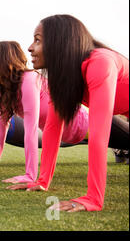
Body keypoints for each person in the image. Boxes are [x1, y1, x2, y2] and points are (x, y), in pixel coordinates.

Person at [7, 15, 129, 212]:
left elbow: (99, 135)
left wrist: (93, 198)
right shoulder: (63, 78)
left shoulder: (100, 63)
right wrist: (42, 181)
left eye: (37, 40)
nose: (30, 47)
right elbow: (53, 128)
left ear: (59, 42)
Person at [0, 41, 89, 183]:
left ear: (8, 59)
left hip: (84, 123)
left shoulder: (28, 81)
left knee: (121, 139)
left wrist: (30, 175)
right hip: (66, 136)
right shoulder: (7, 92)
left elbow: (31, 130)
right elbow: (1, 127)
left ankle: (122, 149)